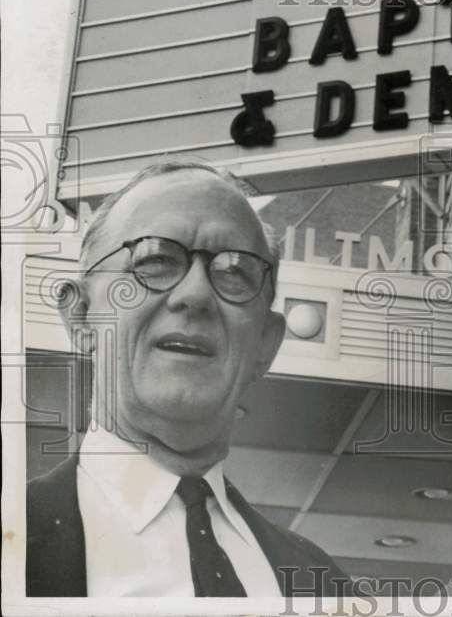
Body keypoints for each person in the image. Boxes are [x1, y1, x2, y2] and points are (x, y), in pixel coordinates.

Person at [26, 160, 353, 598]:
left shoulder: (327, 586)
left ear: (265, 344)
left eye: (235, 271)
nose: (196, 295)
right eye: (156, 259)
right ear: (82, 316)